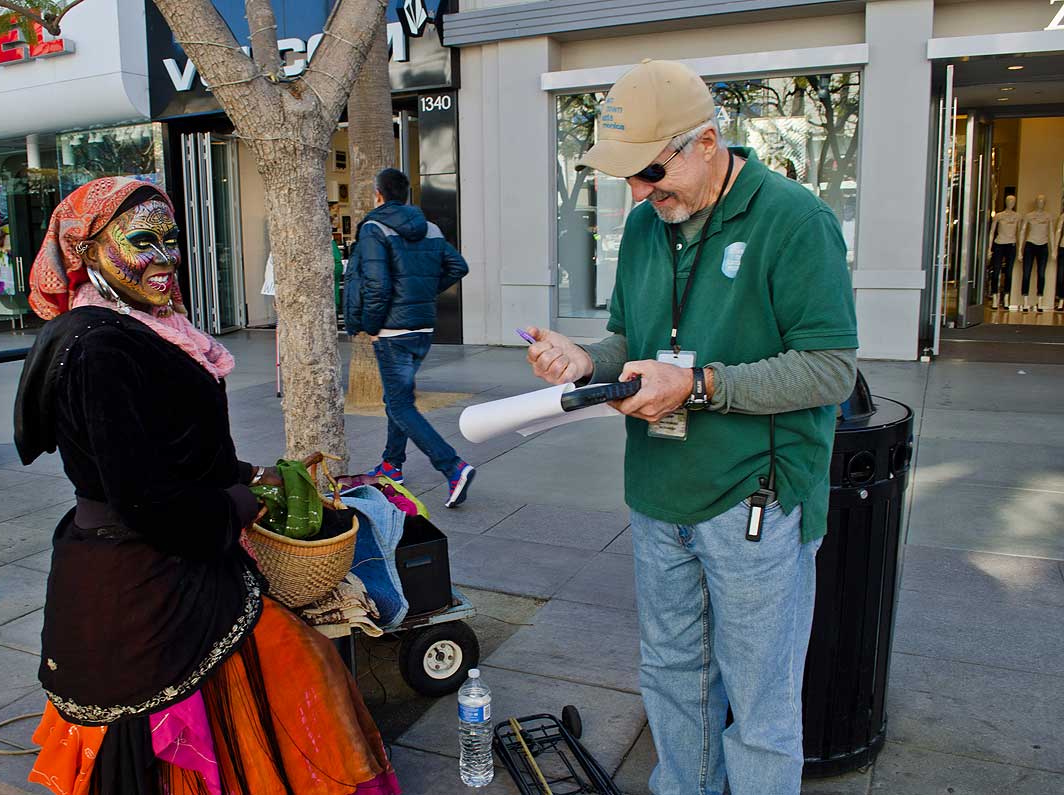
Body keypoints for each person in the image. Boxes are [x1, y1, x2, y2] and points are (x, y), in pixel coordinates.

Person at [524, 60, 858, 795]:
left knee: (762, 708)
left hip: (753, 502)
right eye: (628, 178)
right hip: (658, 493)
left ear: (705, 141)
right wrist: (586, 358)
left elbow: (831, 368)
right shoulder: (648, 224)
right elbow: (626, 337)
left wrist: (701, 384)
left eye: (648, 171)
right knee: (673, 679)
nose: (638, 194)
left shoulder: (796, 220)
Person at [15, 177, 397, 795]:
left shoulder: (142, 326)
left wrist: (246, 476)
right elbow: (146, 499)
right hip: (146, 581)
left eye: (170, 239)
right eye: (142, 241)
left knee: (303, 664)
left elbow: (172, 451)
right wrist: (242, 501)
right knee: (301, 667)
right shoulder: (100, 346)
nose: (164, 258)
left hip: (174, 557)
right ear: (85, 252)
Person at [343, 168, 474, 508]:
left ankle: (453, 466)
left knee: (400, 404)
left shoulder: (374, 228)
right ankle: (392, 464)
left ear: (378, 194)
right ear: (407, 194)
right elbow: (457, 266)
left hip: (392, 332)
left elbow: (376, 285)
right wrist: (425, 292)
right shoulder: (429, 228)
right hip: (422, 329)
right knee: (397, 400)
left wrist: (371, 327)